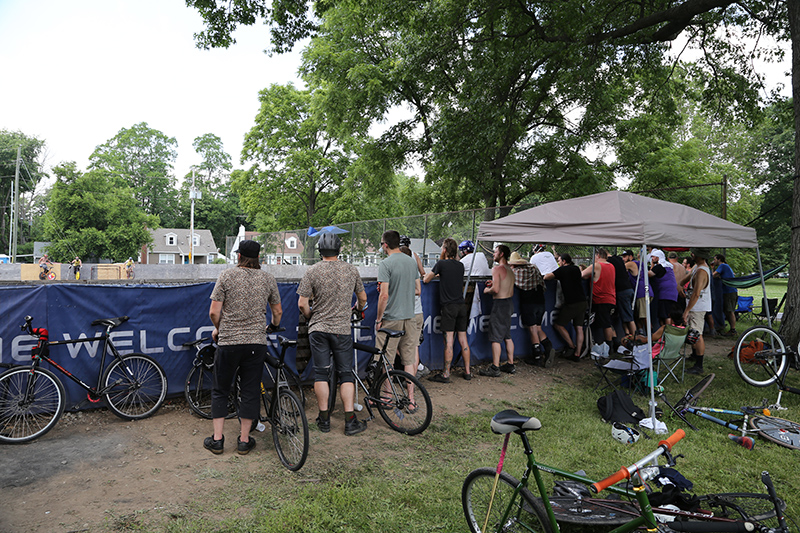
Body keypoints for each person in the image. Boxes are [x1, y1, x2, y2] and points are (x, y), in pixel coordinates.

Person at [205, 239, 282, 455]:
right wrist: (273, 327)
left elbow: (213, 312)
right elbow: (277, 312)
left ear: (239, 256)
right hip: (255, 343)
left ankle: (218, 439)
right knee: (250, 391)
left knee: (220, 389)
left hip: (229, 342)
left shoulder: (227, 276)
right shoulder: (268, 278)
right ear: (258, 257)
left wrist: (219, 329)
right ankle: (244, 440)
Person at [298, 232, 368, 436]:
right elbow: (362, 298)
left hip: (318, 329)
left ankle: (324, 419)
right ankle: (349, 420)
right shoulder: (351, 270)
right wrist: (357, 307)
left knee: (321, 372)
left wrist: (312, 317)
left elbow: (302, 303)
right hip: (341, 330)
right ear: (339, 249)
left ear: (320, 250)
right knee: (345, 373)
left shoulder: (312, 271)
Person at [376, 230, 421, 404]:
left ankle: (387, 396)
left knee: (387, 359)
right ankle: (411, 399)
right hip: (410, 316)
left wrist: (379, 319)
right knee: (408, 360)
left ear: (385, 244)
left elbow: (384, 295)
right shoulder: (411, 262)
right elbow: (418, 288)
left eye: (381, 243)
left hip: (391, 319)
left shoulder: (385, 264)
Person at [423, 238, 472, 382]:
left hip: (449, 307)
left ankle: (446, 373)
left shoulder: (441, 264)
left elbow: (426, 279)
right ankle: (468, 372)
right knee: (463, 339)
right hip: (461, 306)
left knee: (449, 340)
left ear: (444, 250)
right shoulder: (460, 265)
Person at [508, 251, 553, 366]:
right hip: (540, 300)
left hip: (529, 302)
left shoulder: (515, 272)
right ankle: (548, 347)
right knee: (538, 327)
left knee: (532, 329)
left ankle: (537, 357)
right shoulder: (533, 268)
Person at [480, 245, 516, 377]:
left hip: (500, 304)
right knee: (507, 335)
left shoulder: (497, 269)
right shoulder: (510, 270)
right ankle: (510, 364)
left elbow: (495, 289)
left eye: (495, 252)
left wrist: (486, 290)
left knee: (496, 337)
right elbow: (509, 290)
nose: (493, 254)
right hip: (508, 303)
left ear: (501, 254)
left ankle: (495, 367)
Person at [543, 253, 586, 362]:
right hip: (582, 300)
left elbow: (547, 277)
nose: (558, 262)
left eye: (559, 260)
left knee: (558, 324)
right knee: (579, 328)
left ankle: (571, 346)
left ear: (564, 261)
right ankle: (577, 354)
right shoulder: (576, 268)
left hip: (572, 303)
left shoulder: (562, 270)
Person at [677, 248, 711, 375]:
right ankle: (694, 355)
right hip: (693, 306)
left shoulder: (702, 271)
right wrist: (680, 284)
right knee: (692, 331)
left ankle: (699, 365)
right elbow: (688, 277)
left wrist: (686, 311)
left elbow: (696, 294)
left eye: (694, 254)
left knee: (697, 334)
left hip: (697, 307)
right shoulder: (698, 266)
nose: (692, 255)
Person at [399, 235, 430, 378]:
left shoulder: (396, 261)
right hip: (417, 310)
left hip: (404, 311)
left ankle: (413, 373)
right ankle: (415, 372)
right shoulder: (414, 256)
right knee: (413, 345)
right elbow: (423, 274)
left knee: (402, 345)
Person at [582, 248, 618, 350]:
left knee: (606, 323)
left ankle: (609, 346)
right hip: (611, 298)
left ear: (597, 256)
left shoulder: (597, 265)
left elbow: (582, 274)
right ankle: (614, 343)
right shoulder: (611, 266)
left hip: (601, 299)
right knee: (608, 321)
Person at [608, 252, 635, 336]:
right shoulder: (619, 260)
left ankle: (636, 339)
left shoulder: (609, 262)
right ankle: (627, 336)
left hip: (622, 291)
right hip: (628, 289)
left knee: (628, 317)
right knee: (624, 316)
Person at [649, 249, 679, 326]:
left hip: (665, 294)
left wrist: (650, 266)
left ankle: (666, 331)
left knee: (665, 315)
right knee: (668, 313)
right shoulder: (668, 266)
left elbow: (649, 274)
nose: (652, 258)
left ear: (658, 257)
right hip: (672, 294)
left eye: (653, 257)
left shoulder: (659, 267)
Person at [712, 254, 738, 337]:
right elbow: (716, 276)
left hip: (730, 291)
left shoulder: (722, 265)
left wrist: (712, 267)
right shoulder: (725, 266)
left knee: (730, 311)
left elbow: (713, 275)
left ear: (719, 259)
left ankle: (733, 330)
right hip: (728, 291)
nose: (714, 261)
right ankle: (731, 329)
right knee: (727, 311)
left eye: (715, 259)